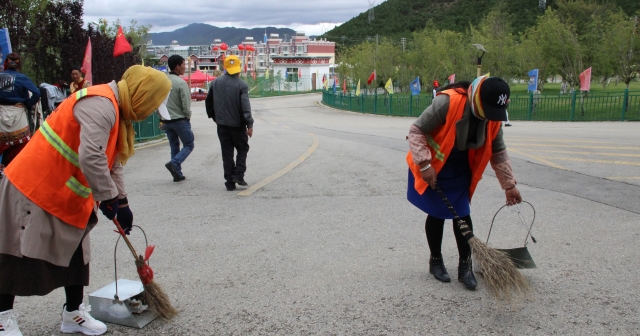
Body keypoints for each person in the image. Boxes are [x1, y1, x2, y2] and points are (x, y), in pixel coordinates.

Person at [0, 65, 171, 336]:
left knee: (77, 254)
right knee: (17, 252)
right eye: (152, 104)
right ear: (142, 94)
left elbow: (111, 161)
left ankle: (73, 314)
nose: (150, 112)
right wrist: (108, 196)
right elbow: (91, 155)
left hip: (67, 194)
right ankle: (2, 317)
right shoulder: (101, 105)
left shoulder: (118, 112)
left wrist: (122, 203)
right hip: (34, 185)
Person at [406, 76, 522, 290]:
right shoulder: (447, 102)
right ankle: (436, 261)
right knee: (437, 214)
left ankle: (465, 266)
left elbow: (498, 151)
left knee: (462, 214)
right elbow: (416, 131)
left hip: (461, 167)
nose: (492, 117)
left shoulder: (493, 116)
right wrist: (424, 164)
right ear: (478, 100)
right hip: (435, 164)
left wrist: (509, 185)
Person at [205, 55, 254, 191]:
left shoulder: (215, 83)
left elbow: (208, 102)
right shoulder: (242, 85)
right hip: (237, 125)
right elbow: (245, 107)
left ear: (225, 68)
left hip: (222, 125)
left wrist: (214, 117)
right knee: (242, 148)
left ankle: (229, 182)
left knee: (227, 153)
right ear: (238, 70)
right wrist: (249, 124)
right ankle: (238, 174)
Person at [0, 53, 41, 167]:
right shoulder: (22, 78)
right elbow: (37, 93)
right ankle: (12, 171)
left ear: (6, 63)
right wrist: (27, 104)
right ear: (19, 65)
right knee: (19, 146)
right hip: (17, 114)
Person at [162, 55, 194, 182]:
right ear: (177, 66)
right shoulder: (181, 83)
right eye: (184, 65)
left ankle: (177, 173)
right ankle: (174, 163)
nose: (185, 67)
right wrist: (187, 116)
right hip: (180, 119)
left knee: (174, 146)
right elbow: (185, 103)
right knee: (189, 144)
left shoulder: (163, 81)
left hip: (166, 119)